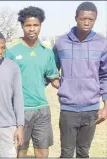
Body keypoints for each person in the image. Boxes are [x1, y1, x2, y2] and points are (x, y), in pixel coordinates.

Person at [4, 6, 60, 158]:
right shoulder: (11, 50)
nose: (32, 29)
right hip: (19, 109)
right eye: (28, 25)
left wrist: (72, 88)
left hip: (42, 109)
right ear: (22, 26)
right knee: (20, 150)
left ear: (41, 25)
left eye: (36, 25)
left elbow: (54, 79)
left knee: (42, 150)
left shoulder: (46, 52)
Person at [53, 2, 107, 158]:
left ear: (95, 20)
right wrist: (62, 85)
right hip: (68, 109)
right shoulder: (61, 42)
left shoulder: (102, 44)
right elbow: (51, 70)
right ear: (76, 18)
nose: (87, 22)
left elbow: (105, 75)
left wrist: (105, 106)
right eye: (83, 18)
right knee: (66, 153)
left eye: (91, 19)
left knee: (84, 152)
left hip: (91, 109)